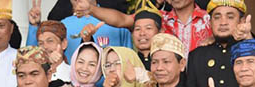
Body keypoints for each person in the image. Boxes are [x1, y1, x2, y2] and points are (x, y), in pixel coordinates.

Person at [75, 0, 211, 59]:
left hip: (202, 85)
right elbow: (121, 20)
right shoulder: (159, 18)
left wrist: (214, 37)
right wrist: (91, 9)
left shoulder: (210, 19)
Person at [26, 0, 133, 63]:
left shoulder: (116, 21)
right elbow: (33, 59)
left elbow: (130, 59)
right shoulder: (62, 24)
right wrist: (34, 26)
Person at [185, 0, 248, 87]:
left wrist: (248, 37)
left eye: (230, 17)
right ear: (210, 22)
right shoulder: (197, 55)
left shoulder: (251, 52)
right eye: (217, 17)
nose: (223, 22)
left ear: (242, 21)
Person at [130, 0, 163, 69]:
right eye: (137, 29)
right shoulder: (128, 62)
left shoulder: (167, 60)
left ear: (160, 32)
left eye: (148, 28)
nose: (142, 33)